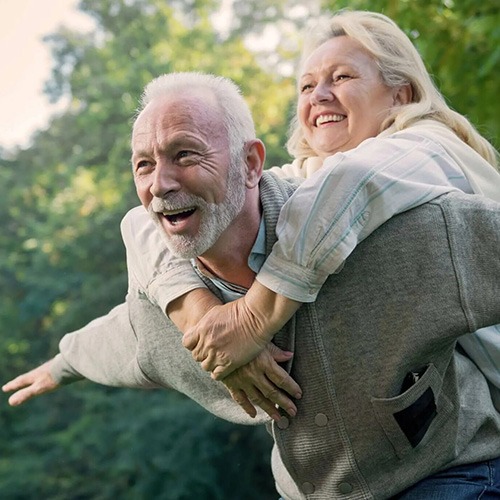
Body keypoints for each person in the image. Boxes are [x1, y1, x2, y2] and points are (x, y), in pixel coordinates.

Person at [4, 72, 500, 500]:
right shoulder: (167, 312)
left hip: (453, 472)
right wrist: (62, 362)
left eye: (185, 154)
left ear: (251, 164)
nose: (161, 184)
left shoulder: (384, 239)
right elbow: (117, 339)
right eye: (145, 165)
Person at [121, 11, 500, 391]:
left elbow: (354, 181)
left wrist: (251, 321)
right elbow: (142, 223)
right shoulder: (312, 175)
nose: (319, 96)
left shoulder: (432, 146)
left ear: (401, 95)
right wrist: (204, 319)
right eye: (306, 86)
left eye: (341, 77)